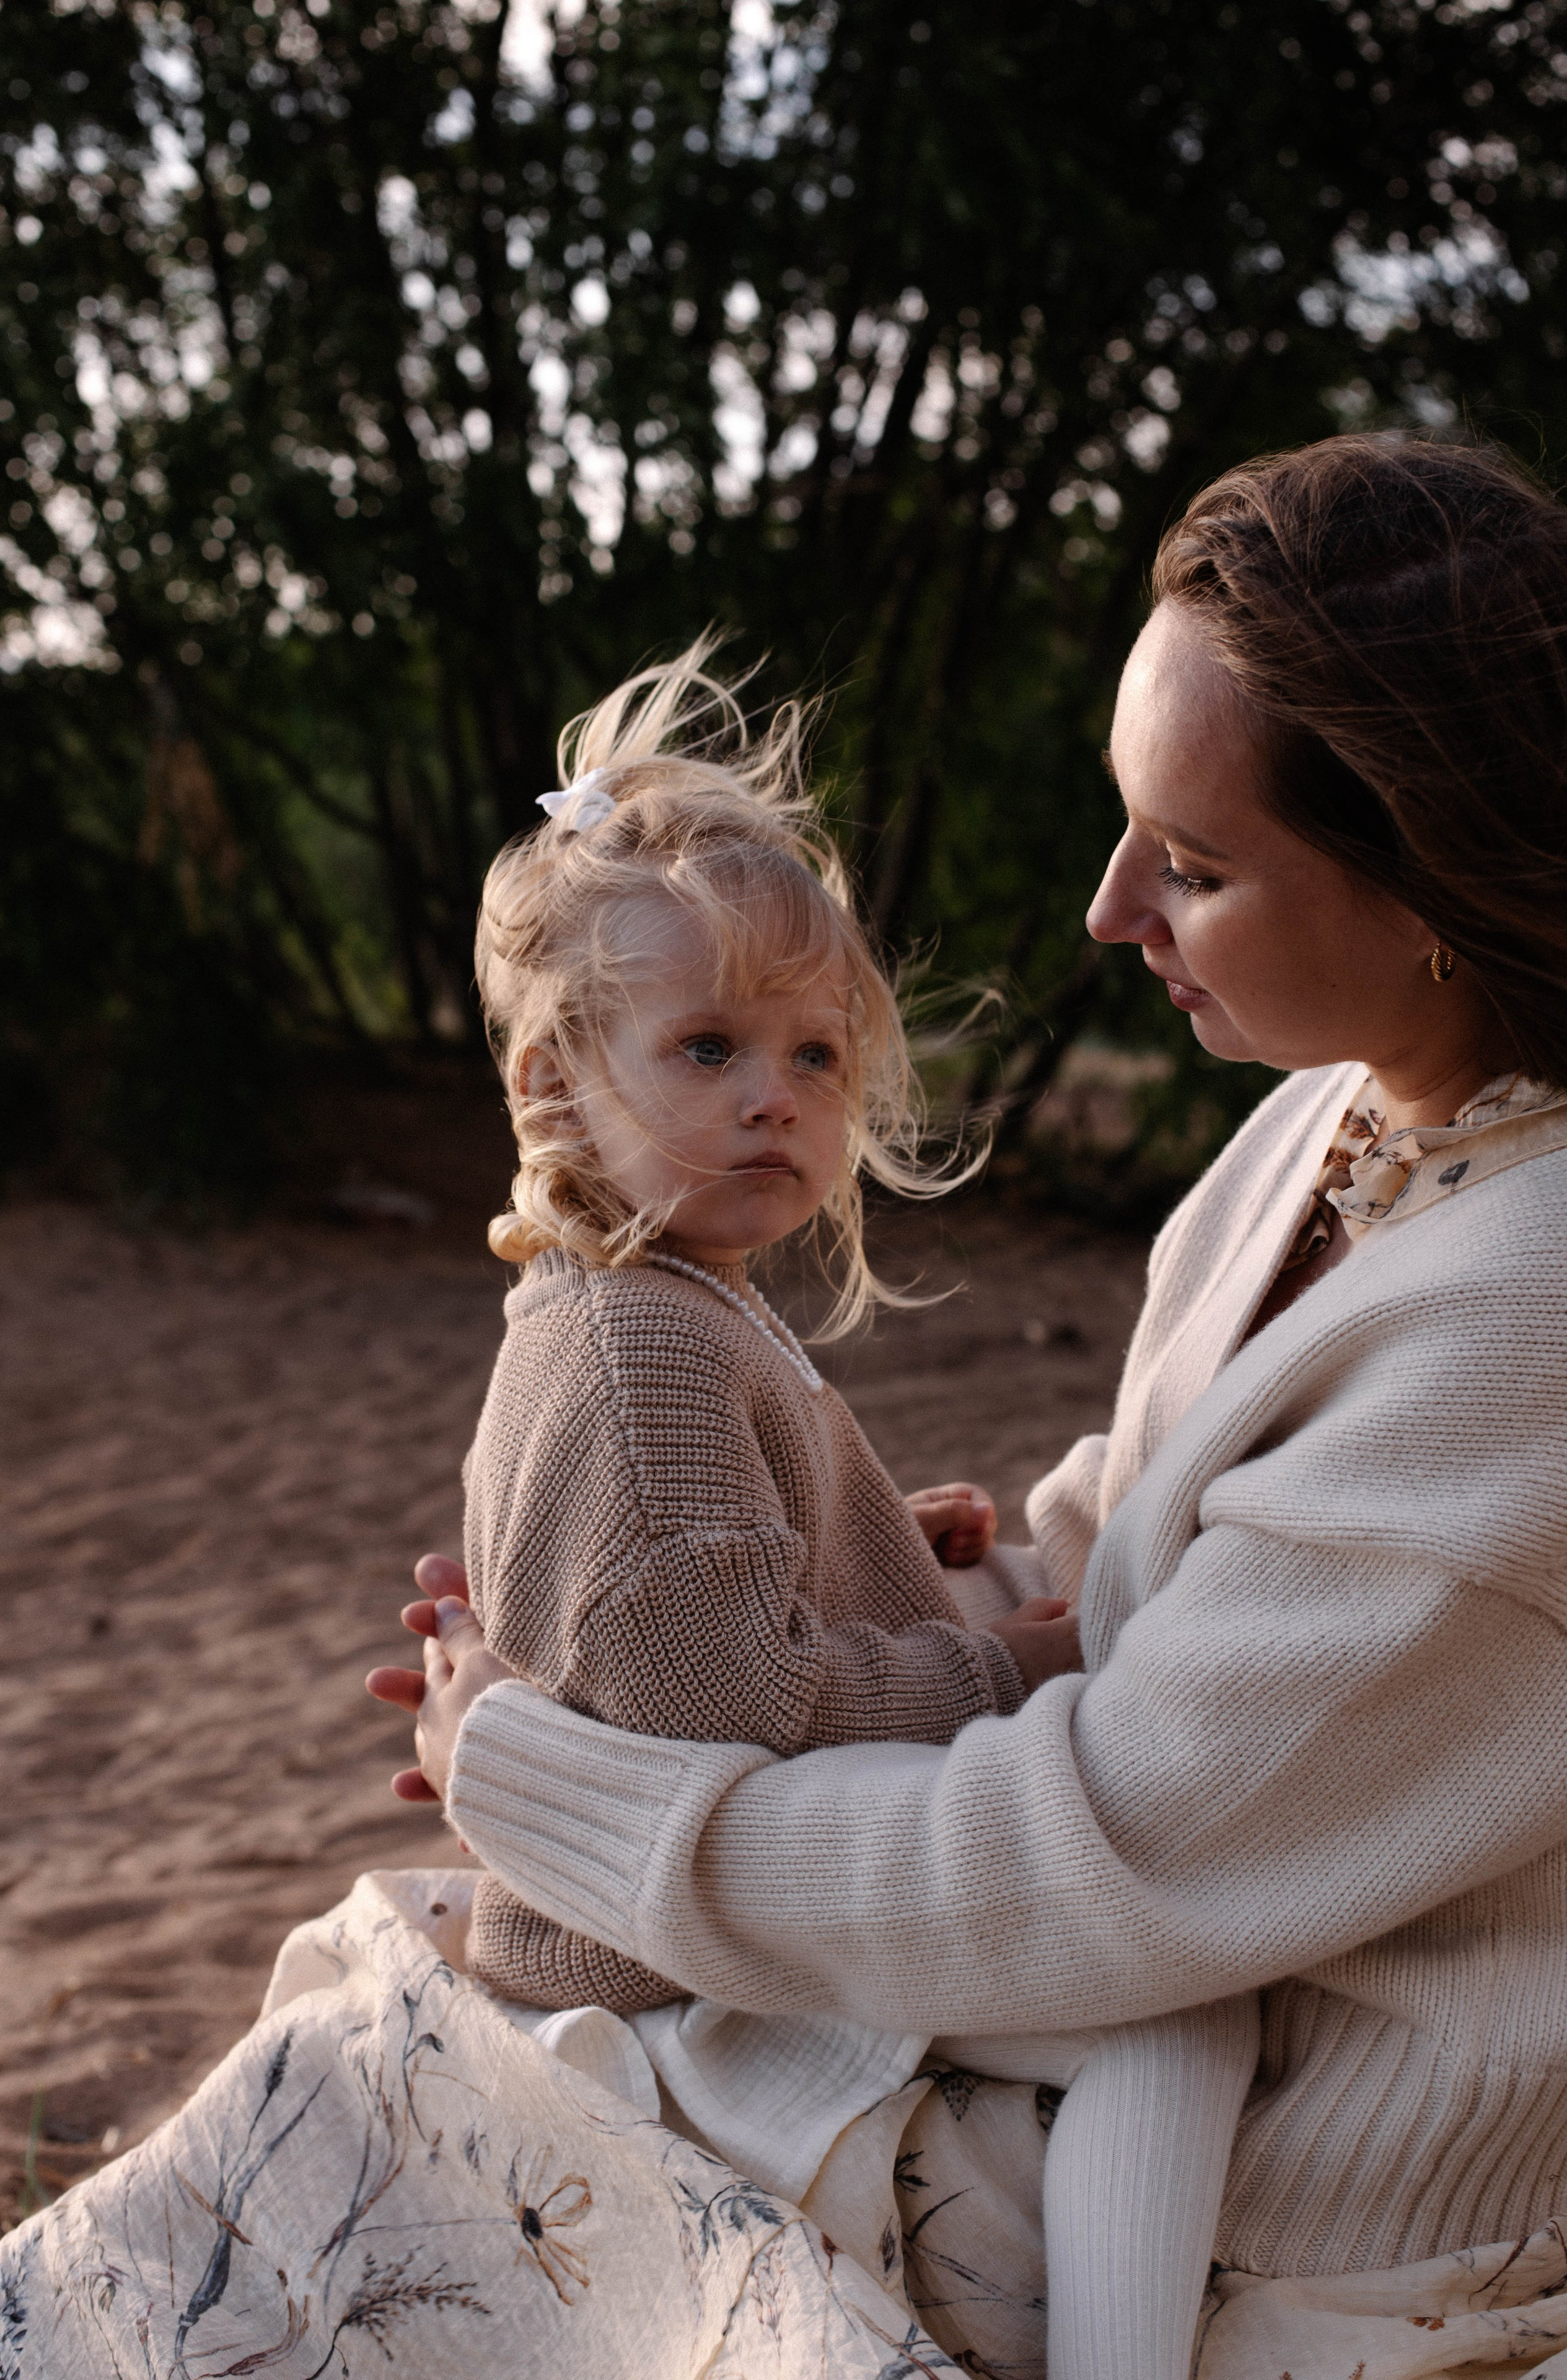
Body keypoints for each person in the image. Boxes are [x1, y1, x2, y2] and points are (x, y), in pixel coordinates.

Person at [385, 435, 1567, 2377]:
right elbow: (1159, 1564)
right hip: (1116, 2009)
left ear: (1436, 875)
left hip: (1300, 2203)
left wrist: (541, 1784)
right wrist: (979, 1575)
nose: (1113, 909)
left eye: (1192, 867)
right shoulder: (1341, 1116)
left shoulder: (1546, 1322)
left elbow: (1085, 1866)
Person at [418, 641, 1257, 2380]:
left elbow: (725, 1600)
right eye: (709, 1046)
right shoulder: (639, 1347)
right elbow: (721, 1710)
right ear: (554, 1086)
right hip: (671, 1969)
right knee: (1177, 2019)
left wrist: (890, 1544)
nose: (774, 1099)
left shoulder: (669, 1303)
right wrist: (1004, 1668)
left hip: (681, 1910)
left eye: (813, 1053)